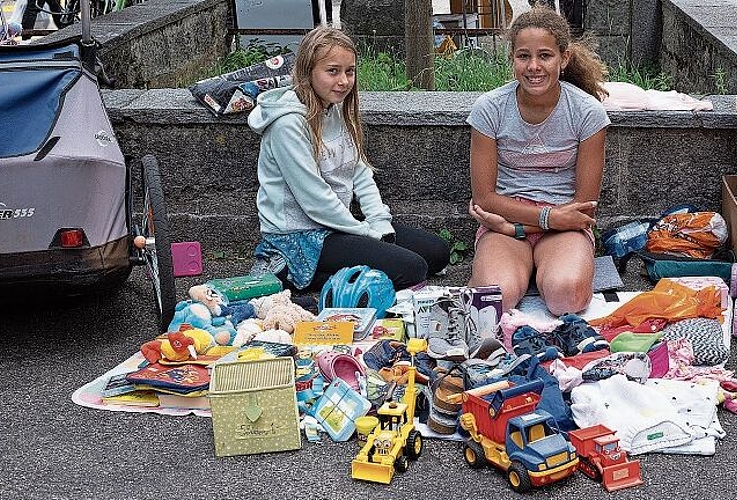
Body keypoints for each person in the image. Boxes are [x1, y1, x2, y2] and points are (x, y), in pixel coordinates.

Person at [248, 26, 449, 292]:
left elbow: (360, 172)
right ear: (308, 71)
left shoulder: (336, 106)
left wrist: (379, 222)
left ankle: (336, 268)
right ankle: (285, 270)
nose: (343, 81)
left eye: (349, 71)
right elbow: (315, 200)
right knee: (412, 269)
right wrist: (366, 233)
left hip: (338, 228)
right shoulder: (287, 124)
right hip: (300, 236)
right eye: (332, 71)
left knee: (436, 253)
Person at [466, 6, 610, 316]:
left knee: (565, 297)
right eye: (523, 56)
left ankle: (550, 268)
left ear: (564, 58)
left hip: (560, 227)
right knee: (493, 302)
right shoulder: (489, 109)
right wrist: (543, 219)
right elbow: (484, 197)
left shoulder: (587, 112)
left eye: (544, 56)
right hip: (510, 226)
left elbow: (584, 205)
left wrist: (518, 225)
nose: (534, 66)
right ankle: (515, 268)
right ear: (512, 59)